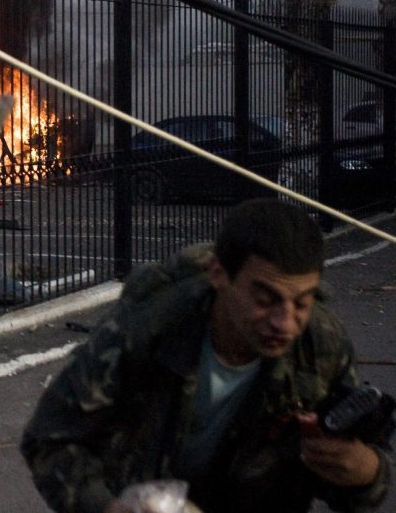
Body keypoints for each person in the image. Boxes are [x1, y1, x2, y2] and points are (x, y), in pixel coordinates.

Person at [21, 198, 392, 513]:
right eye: (264, 300)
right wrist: (108, 508)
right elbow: (48, 440)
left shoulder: (320, 346)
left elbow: (366, 484)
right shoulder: (145, 329)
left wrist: (365, 472)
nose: (285, 322)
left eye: (302, 303)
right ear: (218, 274)